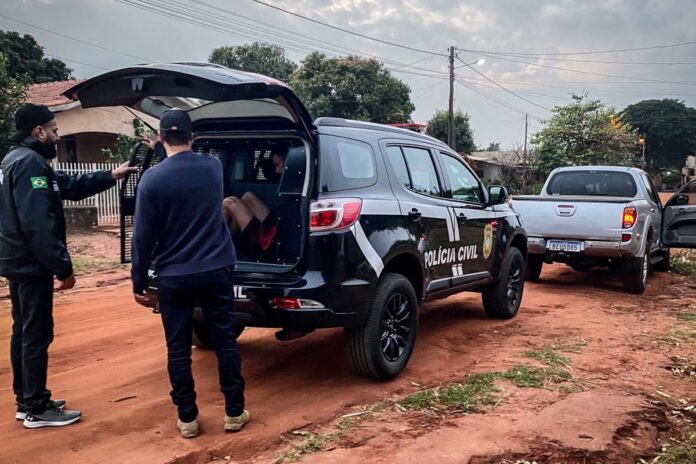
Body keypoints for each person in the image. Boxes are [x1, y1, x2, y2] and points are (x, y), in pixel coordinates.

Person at [0, 103, 136, 428]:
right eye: (55, 130)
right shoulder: (31, 165)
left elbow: (66, 185)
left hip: (16, 261)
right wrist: (62, 266)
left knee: (24, 332)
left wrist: (111, 174)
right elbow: (37, 224)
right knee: (36, 334)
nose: (57, 136)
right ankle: (36, 407)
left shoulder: (15, 160)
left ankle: (27, 400)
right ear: (39, 132)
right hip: (31, 264)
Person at [133, 109, 248, 439]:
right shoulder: (212, 168)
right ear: (193, 138)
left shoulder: (151, 180)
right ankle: (234, 413)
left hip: (174, 277)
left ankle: (188, 419)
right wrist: (164, 147)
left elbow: (142, 237)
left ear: (162, 137)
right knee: (226, 343)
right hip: (215, 271)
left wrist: (139, 281)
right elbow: (185, 164)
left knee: (178, 350)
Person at [222, 147, 286, 255]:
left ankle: (220, 250)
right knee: (248, 196)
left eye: (278, 165)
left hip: (270, 243)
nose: (276, 170)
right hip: (275, 227)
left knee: (229, 203)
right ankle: (232, 246)